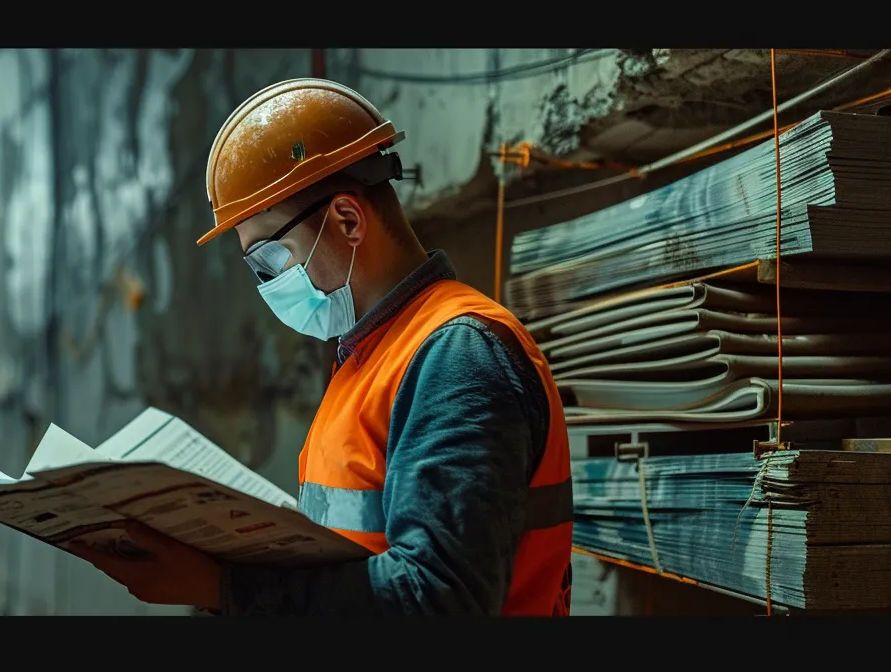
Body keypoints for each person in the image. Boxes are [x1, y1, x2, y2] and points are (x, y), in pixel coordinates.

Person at [67, 79, 574, 616]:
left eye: (269, 260)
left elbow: (439, 599)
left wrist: (223, 588)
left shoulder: (455, 356)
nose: (266, 285)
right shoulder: (368, 355)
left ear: (348, 220)